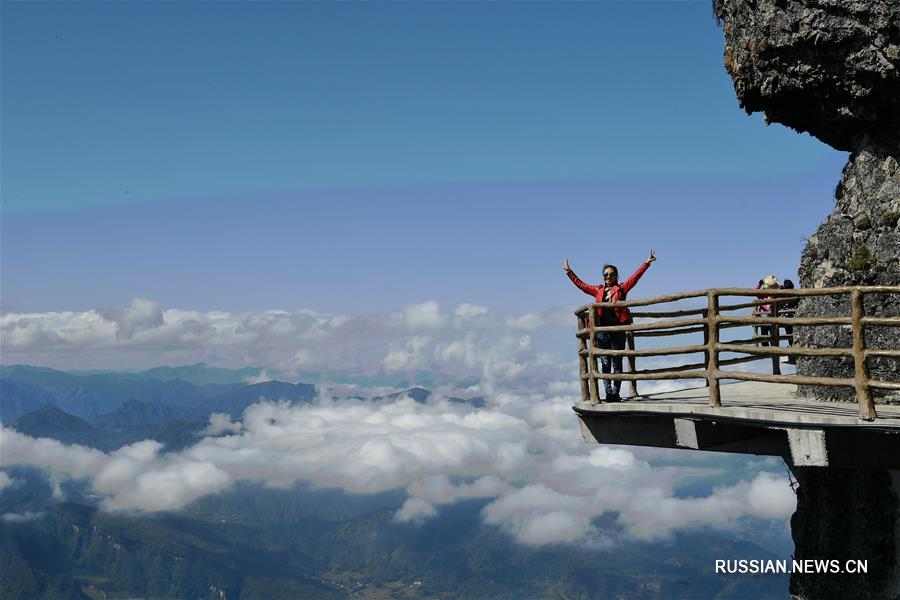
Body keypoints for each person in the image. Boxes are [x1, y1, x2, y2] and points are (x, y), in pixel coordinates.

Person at [563, 250, 656, 401]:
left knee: (617, 362)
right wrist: (569, 272)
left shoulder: (621, 289)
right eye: (605, 274)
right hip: (601, 331)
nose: (608, 277)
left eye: (611, 274)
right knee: (605, 362)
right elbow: (582, 285)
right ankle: (608, 394)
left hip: (618, 330)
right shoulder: (598, 290)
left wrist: (646, 263)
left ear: (616, 276)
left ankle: (616, 393)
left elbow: (635, 278)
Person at [755, 275, 780, 344]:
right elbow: (756, 291)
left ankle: (773, 350)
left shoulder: (776, 296)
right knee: (764, 336)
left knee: (773, 336)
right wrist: (759, 283)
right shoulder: (763, 296)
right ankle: (767, 350)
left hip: (772, 318)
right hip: (764, 318)